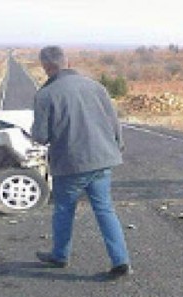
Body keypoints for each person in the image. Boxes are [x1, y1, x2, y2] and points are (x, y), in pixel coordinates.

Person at [32, 46, 132, 277]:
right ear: (67, 62)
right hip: (103, 158)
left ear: (45, 66)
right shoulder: (95, 86)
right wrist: (117, 146)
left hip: (70, 164)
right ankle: (121, 260)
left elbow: (41, 136)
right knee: (105, 209)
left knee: (64, 210)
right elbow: (114, 122)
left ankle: (60, 256)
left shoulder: (46, 95)